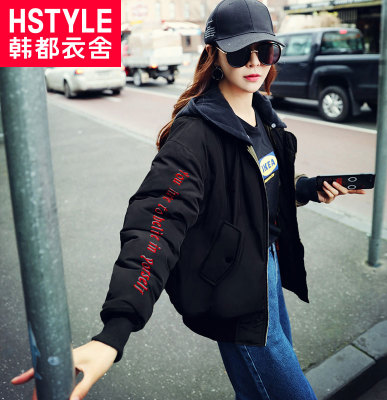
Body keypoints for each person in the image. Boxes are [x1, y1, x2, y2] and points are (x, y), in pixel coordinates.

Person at [11, 0, 366, 399]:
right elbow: (156, 223)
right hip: (235, 290)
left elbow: (262, 184)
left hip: (266, 267)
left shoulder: (263, 114)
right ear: (215, 55)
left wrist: (306, 188)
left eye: (265, 50)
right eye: (239, 52)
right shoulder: (194, 136)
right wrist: (113, 333)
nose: (254, 63)